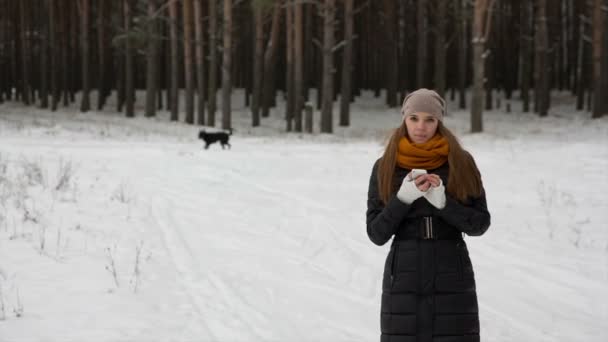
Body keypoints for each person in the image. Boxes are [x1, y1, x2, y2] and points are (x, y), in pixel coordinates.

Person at [366, 88, 490, 342]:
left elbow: (480, 224)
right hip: (403, 275)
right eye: (414, 118)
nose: (421, 126)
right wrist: (403, 199)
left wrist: (445, 204)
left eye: (429, 119)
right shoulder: (386, 165)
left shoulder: (461, 162)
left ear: (439, 122)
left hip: (452, 272)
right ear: (404, 119)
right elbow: (376, 233)